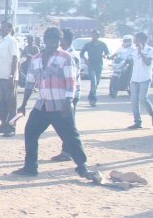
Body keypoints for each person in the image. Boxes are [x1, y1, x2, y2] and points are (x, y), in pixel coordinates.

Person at [13, 26, 100, 182]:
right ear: (45, 41)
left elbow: (71, 82)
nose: (53, 43)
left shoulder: (65, 57)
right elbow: (30, 83)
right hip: (43, 105)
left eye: (57, 40)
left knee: (70, 137)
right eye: (50, 40)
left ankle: (82, 167)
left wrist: (68, 101)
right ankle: (30, 167)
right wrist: (23, 104)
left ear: (60, 41)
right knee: (30, 132)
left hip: (60, 105)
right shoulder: (37, 59)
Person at [52, 28, 81, 162]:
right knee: (65, 124)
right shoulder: (62, 54)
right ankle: (68, 150)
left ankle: (69, 151)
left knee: (68, 125)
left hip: (70, 94)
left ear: (65, 40)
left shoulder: (71, 55)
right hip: (63, 93)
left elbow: (72, 77)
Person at [0, 20, 19, 137]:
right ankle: (4, 125)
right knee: (2, 103)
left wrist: (12, 76)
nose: (1, 29)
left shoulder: (11, 41)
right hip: (0, 77)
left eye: (4, 27)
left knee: (11, 104)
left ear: (9, 29)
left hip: (9, 78)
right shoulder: (1, 42)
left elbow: (15, 59)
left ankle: (12, 127)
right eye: (1, 27)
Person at [127, 32, 153, 129]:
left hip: (145, 78)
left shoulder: (150, 50)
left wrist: (141, 52)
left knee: (142, 98)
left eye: (137, 40)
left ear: (142, 40)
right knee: (133, 101)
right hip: (134, 78)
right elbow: (130, 62)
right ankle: (137, 121)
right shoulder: (134, 51)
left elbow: (148, 63)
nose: (135, 42)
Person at [80, 29, 110, 106]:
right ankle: (93, 99)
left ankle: (91, 96)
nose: (93, 37)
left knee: (97, 83)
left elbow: (107, 53)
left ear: (98, 36)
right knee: (94, 82)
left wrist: (105, 55)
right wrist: (85, 59)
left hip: (99, 65)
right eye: (92, 35)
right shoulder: (88, 44)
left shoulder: (102, 44)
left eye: (95, 35)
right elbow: (81, 54)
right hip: (91, 65)